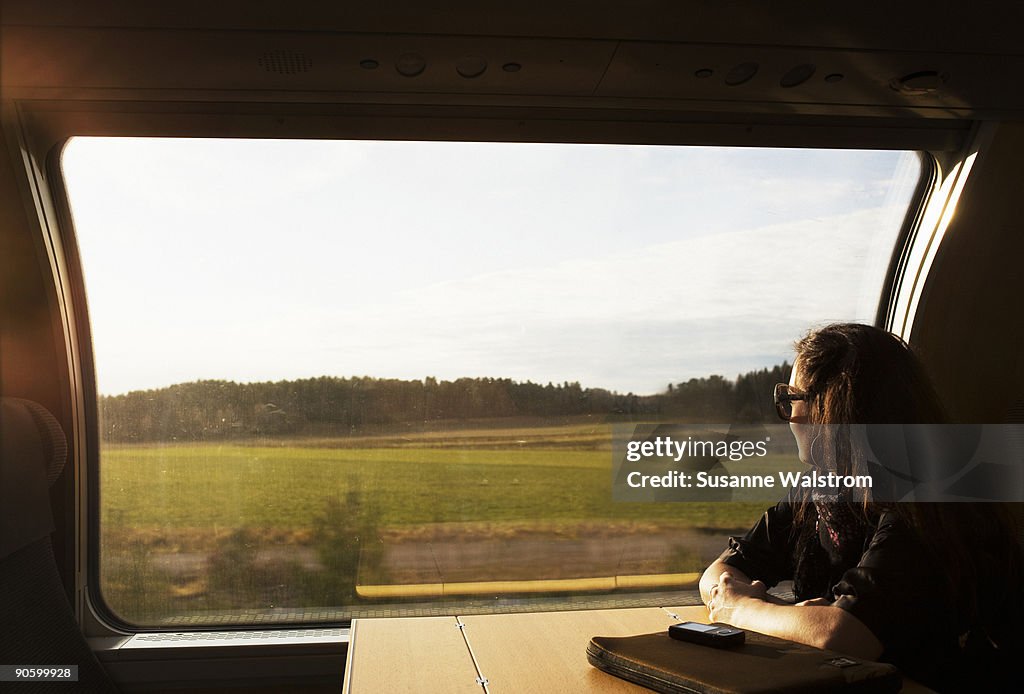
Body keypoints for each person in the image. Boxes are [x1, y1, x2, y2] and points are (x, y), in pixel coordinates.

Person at [699, 323, 1022, 691]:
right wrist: (783, 617)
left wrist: (743, 611)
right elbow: (720, 572)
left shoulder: (928, 506)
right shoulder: (821, 490)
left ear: (831, 407)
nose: (788, 416)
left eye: (791, 399)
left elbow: (845, 636)